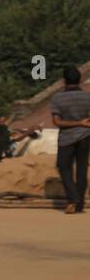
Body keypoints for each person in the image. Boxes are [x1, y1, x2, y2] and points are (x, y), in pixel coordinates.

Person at [51, 65, 90, 214]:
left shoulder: (57, 98)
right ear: (80, 80)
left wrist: (76, 123)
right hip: (85, 136)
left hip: (66, 138)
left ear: (63, 81)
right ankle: (79, 203)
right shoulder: (87, 97)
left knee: (63, 167)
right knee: (81, 170)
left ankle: (73, 200)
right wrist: (82, 123)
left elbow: (57, 122)